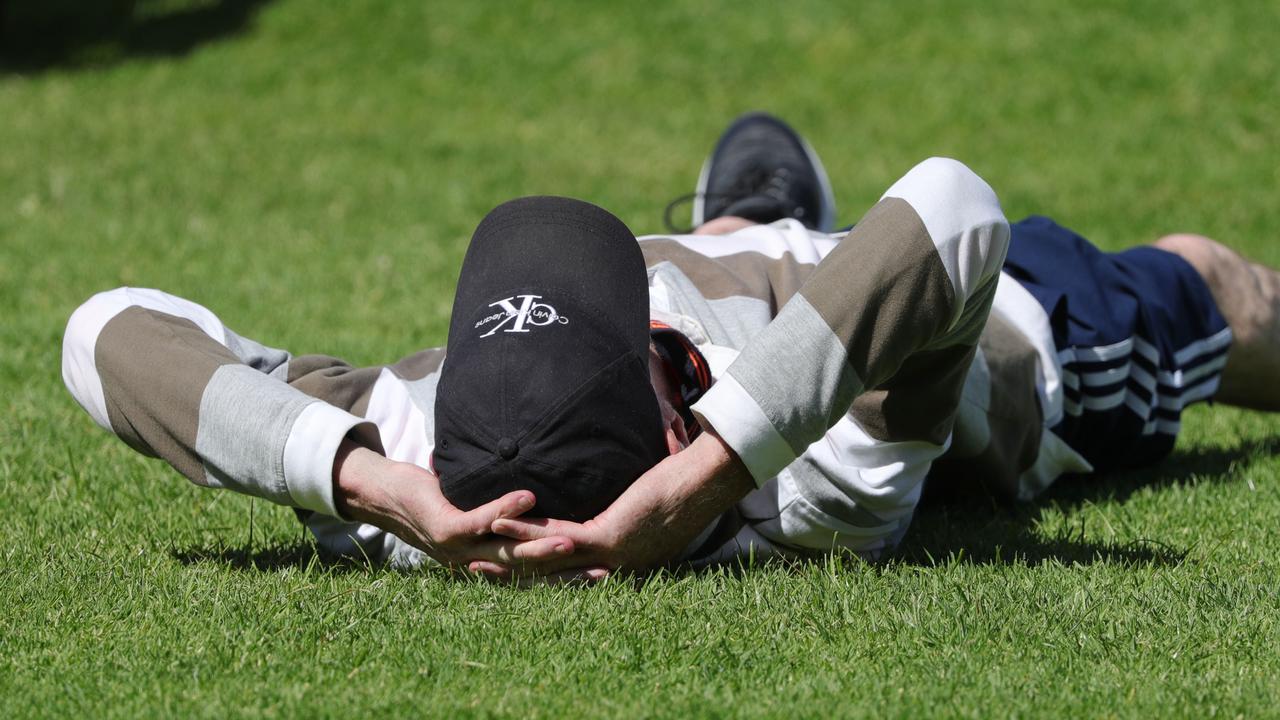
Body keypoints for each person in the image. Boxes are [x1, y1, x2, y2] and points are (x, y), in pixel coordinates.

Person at [61, 113, 1280, 582]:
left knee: (728, 245)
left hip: (751, 270)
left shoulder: (427, 453)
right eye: (640, 345)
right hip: (982, 325)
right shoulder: (808, 492)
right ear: (668, 415)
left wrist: (368, 483)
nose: (644, 310)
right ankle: (770, 221)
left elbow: (100, 332)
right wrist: (705, 479)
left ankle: (735, 217)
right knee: (1202, 279)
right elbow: (954, 210)